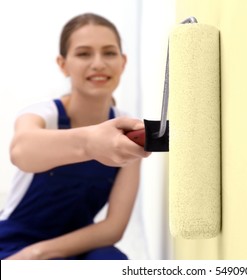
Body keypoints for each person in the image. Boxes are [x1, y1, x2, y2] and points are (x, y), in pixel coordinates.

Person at [0, 13, 150, 260]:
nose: (99, 63)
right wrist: (91, 143)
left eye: (109, 53)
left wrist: (38, 253)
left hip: (74, 246)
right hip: (13, 242)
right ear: (63, 64)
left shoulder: (129, 131)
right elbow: (20, 151)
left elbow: (113, 227)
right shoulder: (42, 115)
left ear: (123, 62)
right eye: (84, 53)